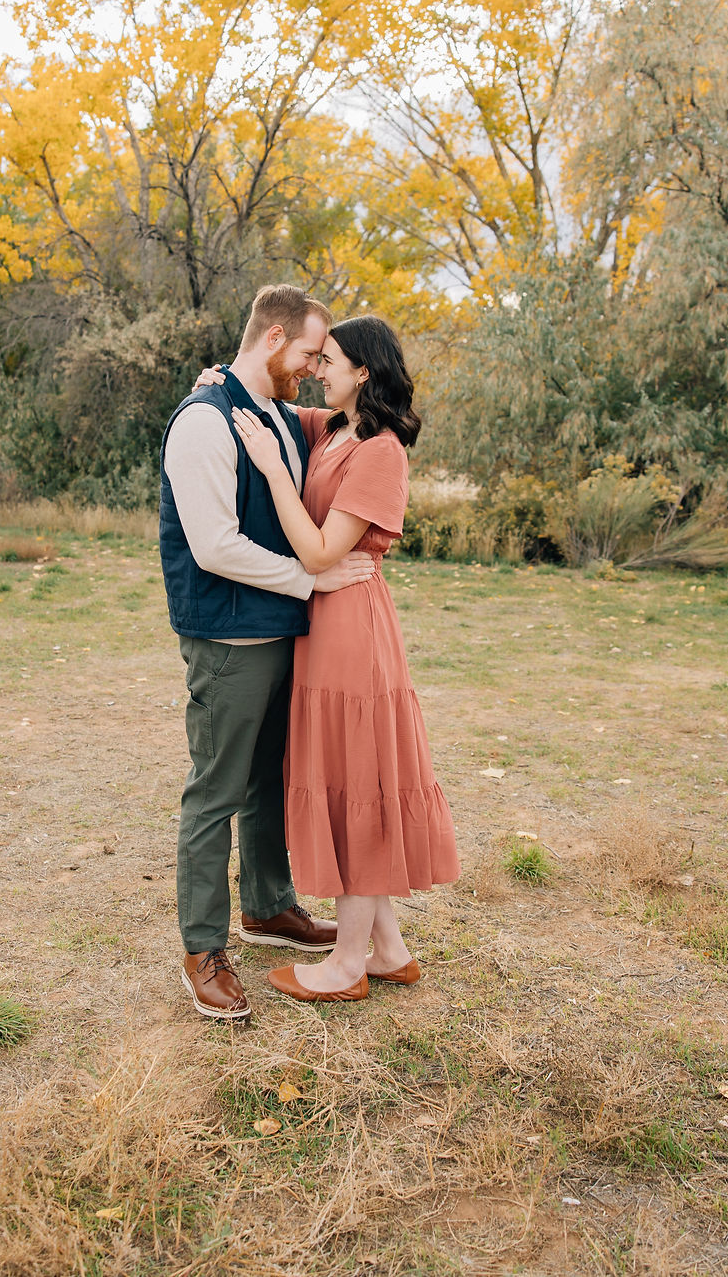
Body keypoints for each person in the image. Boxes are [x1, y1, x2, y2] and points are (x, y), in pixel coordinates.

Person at [225, 315, 459, 1002]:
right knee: (350, 780)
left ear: (363, 372)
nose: (317, 370)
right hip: (320, 626)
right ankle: (387, 950)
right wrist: (223, 379)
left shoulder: (380, 451)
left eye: (329, 361)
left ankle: (346, 964)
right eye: (317, 359)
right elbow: (265, 399)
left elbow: (324, 552)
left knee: (361, 784)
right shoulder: (329, 429)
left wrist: (271, 474)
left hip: (353, 631)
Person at [159, 285, 375, 1021]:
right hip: (228, 637)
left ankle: (269, 906)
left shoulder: (280, 416)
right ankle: (201, 947)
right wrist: (310, 583)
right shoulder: (202, 421)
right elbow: (215, 546)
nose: (317, 367)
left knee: (270, 783)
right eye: (312, 353)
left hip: (281, 632)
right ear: (275, 338)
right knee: (216, 790)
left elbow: (358, 427)